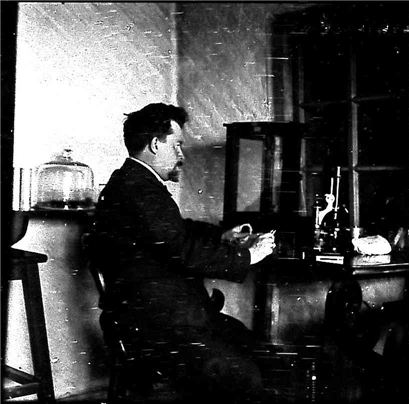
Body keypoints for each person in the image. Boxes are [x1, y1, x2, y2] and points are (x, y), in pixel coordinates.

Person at [91, 103, 275, 402]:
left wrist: (222, 235)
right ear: (155, 144)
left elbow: (176, 229)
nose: (181, 155)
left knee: (256, 350)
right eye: (176, 145)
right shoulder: (139, 190)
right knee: (245, 376)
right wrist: (249, 256)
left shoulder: (132, 182)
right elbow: (182, 249)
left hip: (166, 319)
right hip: (157, 329)